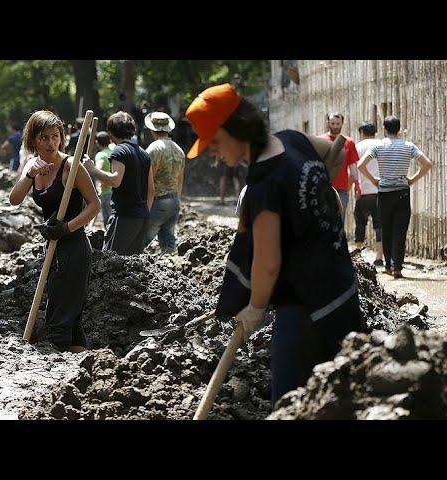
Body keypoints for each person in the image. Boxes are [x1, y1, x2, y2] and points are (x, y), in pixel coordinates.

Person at [186, 84, 364, 408]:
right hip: (342, 289)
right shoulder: (294, 140)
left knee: (289, 404)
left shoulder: (264, 184)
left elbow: (268, 264)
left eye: (214, 142)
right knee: (342, 397)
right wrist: (317, 204)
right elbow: (332, 151)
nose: (213, 151)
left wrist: (255, 308)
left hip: (304, 310)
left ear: (235, 129)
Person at [8, 111, 100, 353]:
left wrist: (66, 227)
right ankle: (87, 369)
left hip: (74, 248)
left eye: (55, 136)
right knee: (69, 319)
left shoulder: (71, 166)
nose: (51, 143)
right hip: (53, 247)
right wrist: (29, 174)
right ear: (33, 141)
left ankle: (57, 370)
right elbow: (14, 199)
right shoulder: (33, 165)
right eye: (44, 138)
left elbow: (95, 205)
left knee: (60, 318)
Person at [358, 115, 432, 278]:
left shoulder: (379, 146)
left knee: (386, 229)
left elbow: (360, 165)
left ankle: (387, 266)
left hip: (384, 193)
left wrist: (374, 180)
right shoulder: (408, 146)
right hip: (402, 193)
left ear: (384, 129)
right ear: (399, 129)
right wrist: (412, 179)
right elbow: (427, 164)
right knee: (400, 230)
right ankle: (397, 267)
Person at [83, 111, 154, 255]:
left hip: (124, 216)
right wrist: (144, 212)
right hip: (142, 217)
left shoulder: (119, 151)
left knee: (110, 261)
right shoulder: (144, 153)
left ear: (111, 133)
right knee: (132, 265)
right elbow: (151, 190)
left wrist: (92, 170)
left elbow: (115, 180)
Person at [141, 111, 185, 253]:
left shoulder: (154, 149)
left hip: (158, 201)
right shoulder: (179, 150)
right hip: (174, 201)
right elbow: (180, 179)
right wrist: (177, 199)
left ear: (152, 129)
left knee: (141, 241)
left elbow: (149, 178)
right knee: (168, 243)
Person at [317, 112, 360, 218]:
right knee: (323, 219)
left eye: (337, 123)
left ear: (342, 123)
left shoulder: (349, 142)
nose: (335, 126)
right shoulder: (320, 140)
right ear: (328, 123)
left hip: (341, 189)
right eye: (333, 123)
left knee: (340, 220)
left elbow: (353, 166)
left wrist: (357, 184)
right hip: (323, 187)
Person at [354, 122, 384, 266]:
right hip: (379, 191)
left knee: (360, 223)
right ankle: (379, 257)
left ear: (361, 132)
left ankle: (358, 254)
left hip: (363, 191)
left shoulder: (358, 147)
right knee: (379, 225)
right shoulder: (382, 145)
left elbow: (354, 170)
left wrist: (355, 188)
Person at [93, 131, 113, 226]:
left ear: (97, 142)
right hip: (115, 190)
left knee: (108, 220)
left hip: (106, 192)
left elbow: (98, 169)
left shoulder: (100, 155)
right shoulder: (113, 152)